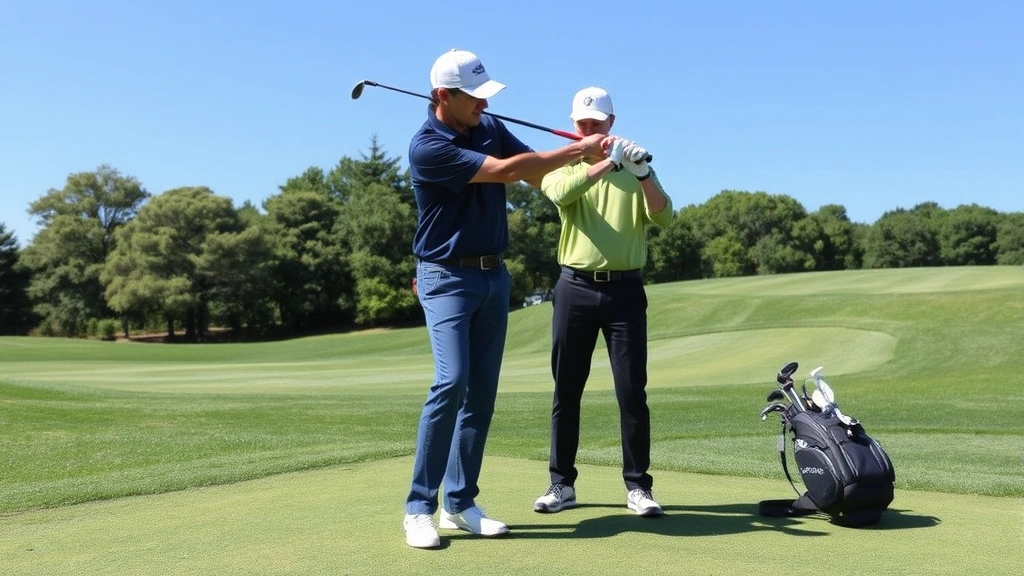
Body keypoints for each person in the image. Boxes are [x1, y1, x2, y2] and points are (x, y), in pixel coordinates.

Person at [403, 50, 608, 549]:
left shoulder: (489, 124)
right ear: (442, 97)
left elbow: (539, 176)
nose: (481, 104)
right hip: (446, 277)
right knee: (451, 382)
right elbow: (508, 170)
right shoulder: (427, 147)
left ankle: (461, 502)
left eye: (484, 95)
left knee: (481, 396)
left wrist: (600, 166)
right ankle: (417, 508)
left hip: (495, 278)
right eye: (472, 96)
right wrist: (580, 150)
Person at [534, 86, 674, 518]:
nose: (589, 129)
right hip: (574, 287)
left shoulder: (635, 167)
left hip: (625, 291)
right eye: (583, 125)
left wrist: (642, 173)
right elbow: (560, 194)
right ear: (574, 126)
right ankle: (561, 484)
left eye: (597, 124)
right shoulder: (562, 164)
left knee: (632, 392)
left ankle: (638, 487)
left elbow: (664, 216)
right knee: (567, 390)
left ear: (611, 123)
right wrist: (606, 163)